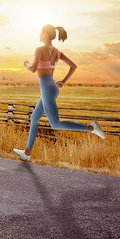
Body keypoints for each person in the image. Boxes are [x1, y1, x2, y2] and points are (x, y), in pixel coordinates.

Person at [13, 24, 105, 162]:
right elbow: (74, 66)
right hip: (52, 87)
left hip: (46, 88)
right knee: (34, 119)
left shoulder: (39, 49)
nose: (39, 35)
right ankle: (27, 153)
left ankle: (91, 128)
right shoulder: (58, 52)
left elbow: (33, 69)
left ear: (45, 34)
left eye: (40, 32)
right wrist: (63, 81)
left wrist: (25, 64)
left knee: (55, 124)